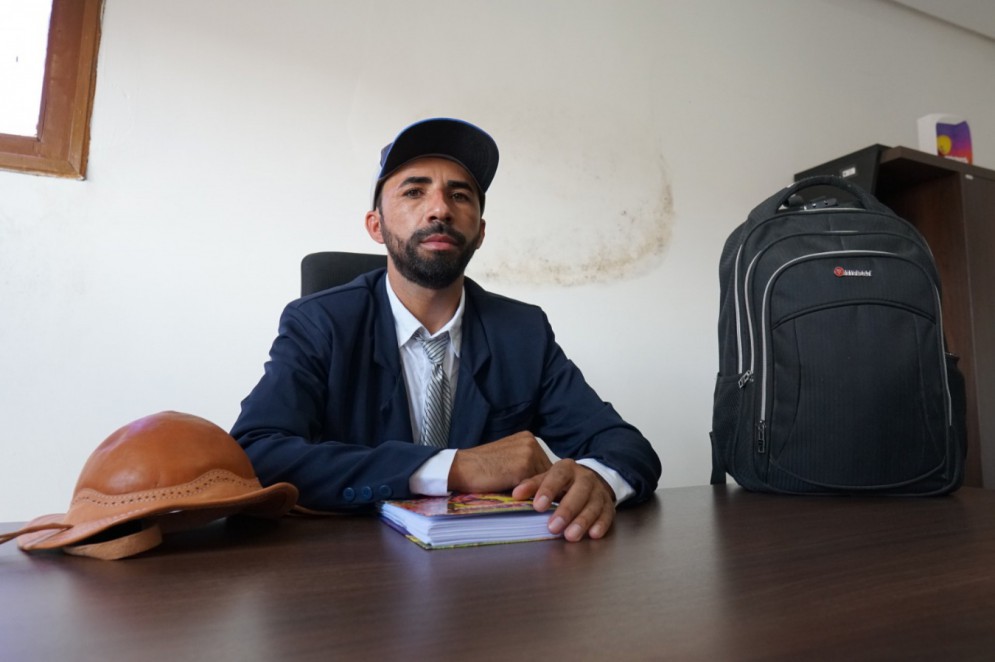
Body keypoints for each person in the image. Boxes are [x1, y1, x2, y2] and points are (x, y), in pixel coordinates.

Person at [231, 118, 661, 541]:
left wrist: (597, 479)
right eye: (414, 192)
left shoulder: (522, 332)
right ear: (376, 226)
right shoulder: (319, 322)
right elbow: (256, 453)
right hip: (354, 567)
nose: (440, 209)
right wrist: (453, 466)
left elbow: (623, 445)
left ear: (480, 232)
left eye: (459, 195)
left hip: (488, 566)